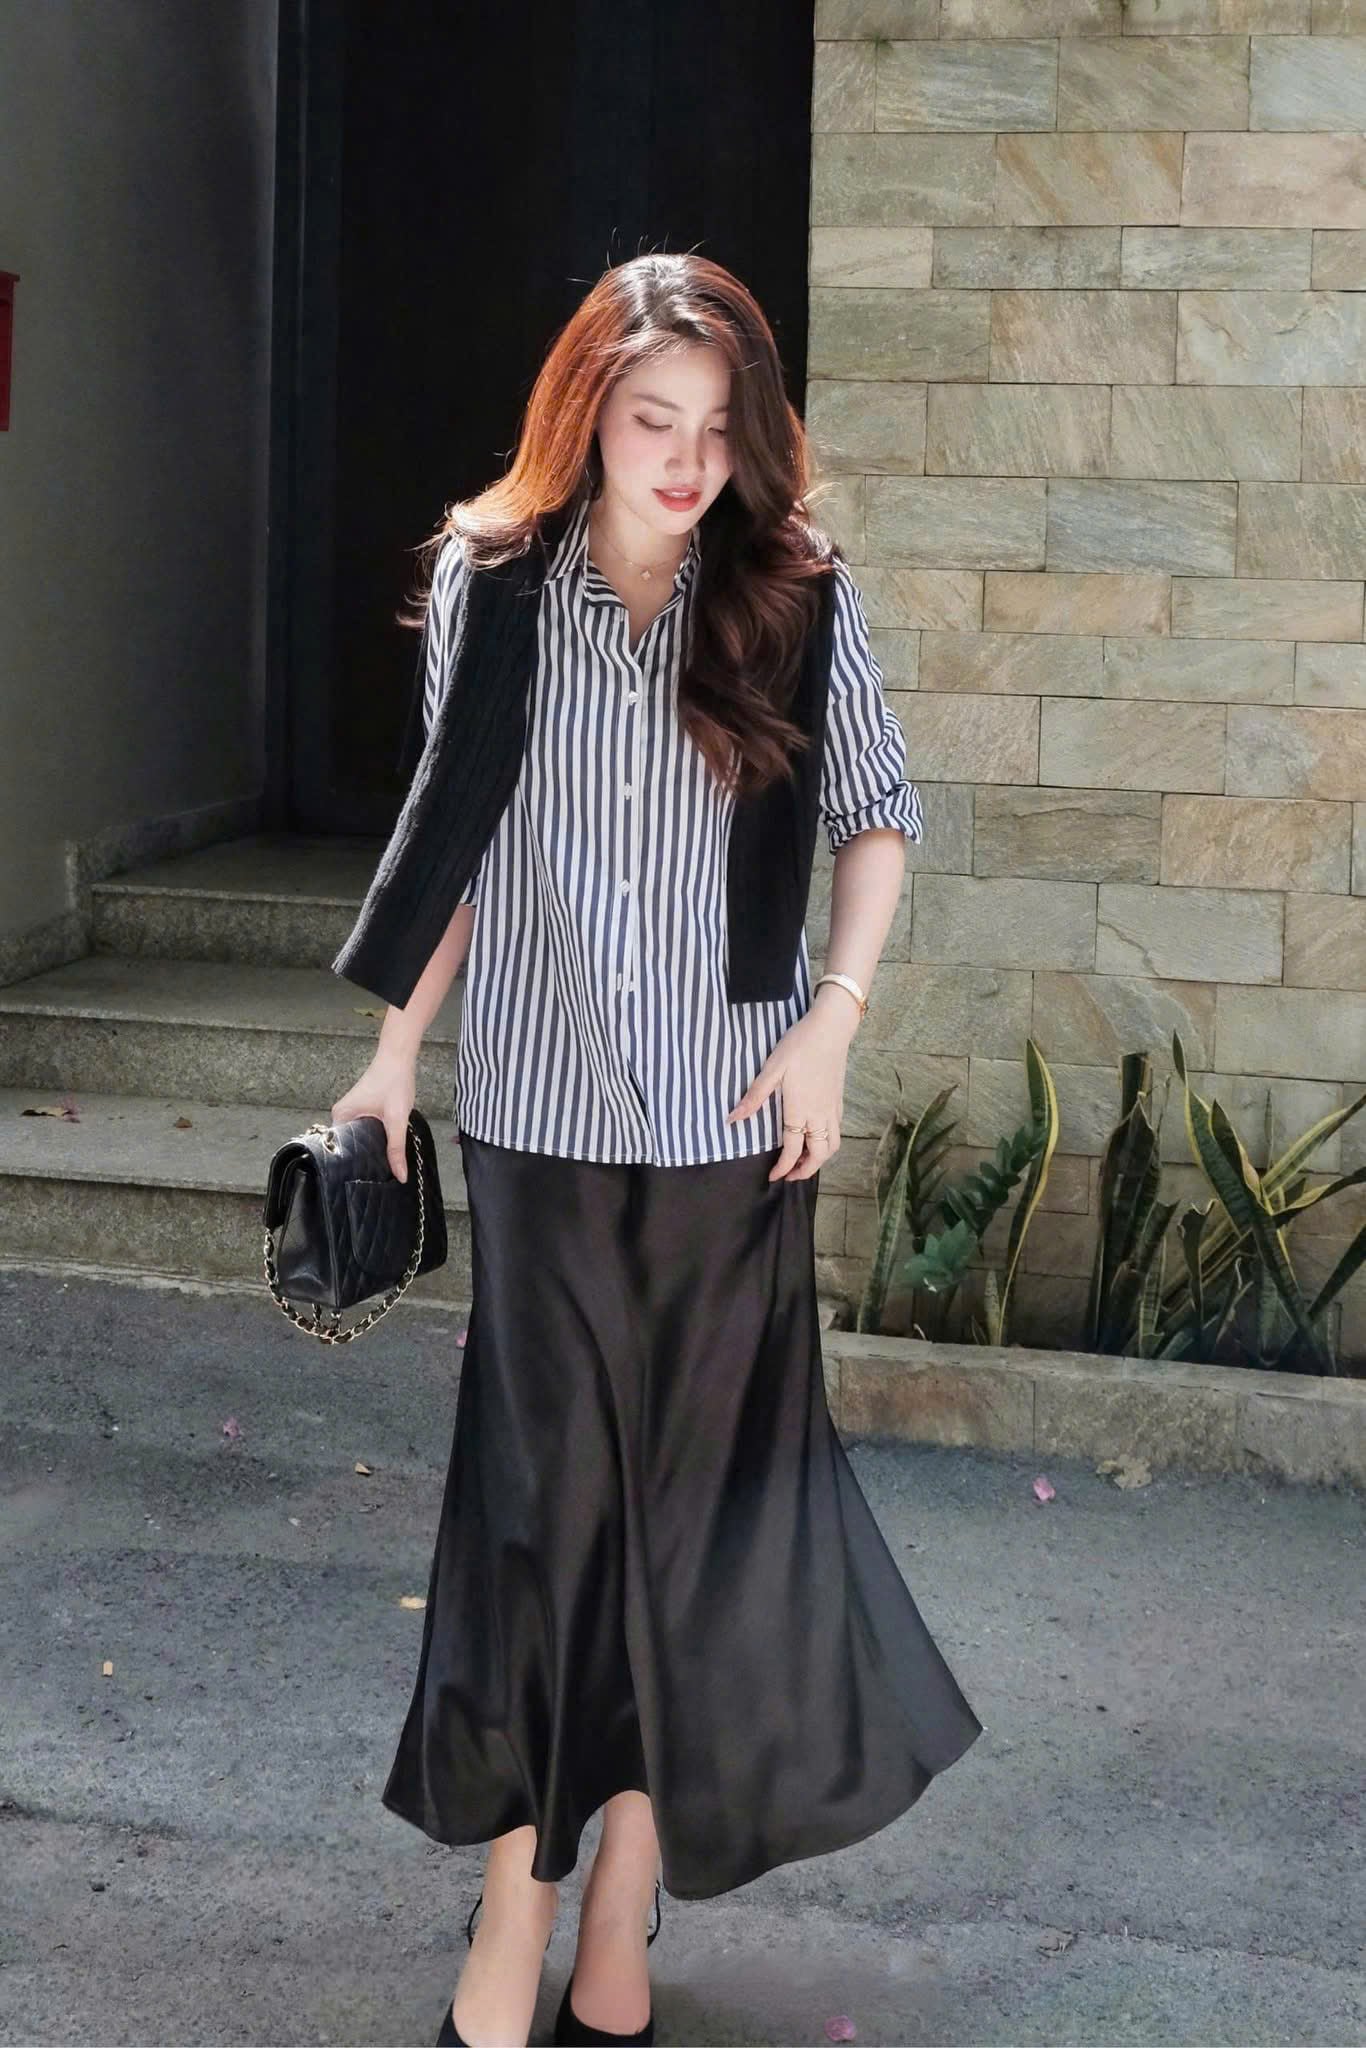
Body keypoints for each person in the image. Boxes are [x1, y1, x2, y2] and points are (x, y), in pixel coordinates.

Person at [329, 252, 983, 2048]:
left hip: (732, 1125)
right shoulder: (492, 587)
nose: (687, 462)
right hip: (539, 1124)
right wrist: (390, 1062)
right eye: (651, 422)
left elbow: (874, 815)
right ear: (586, 416)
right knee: (546, 1525)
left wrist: (831, 1021)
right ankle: (513, 1909)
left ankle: (623, 1895)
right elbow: (451, 837)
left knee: (692, 1527)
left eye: (715, 427)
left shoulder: (788, 592)